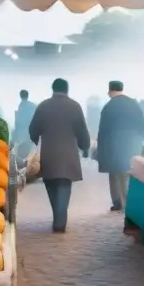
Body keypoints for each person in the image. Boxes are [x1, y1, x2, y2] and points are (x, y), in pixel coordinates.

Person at [28, 78, 91, 233]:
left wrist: (36, 139)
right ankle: (60, 221)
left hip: (49, 154)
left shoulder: (43, 106)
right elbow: (82, 130)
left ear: (53, 89)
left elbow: (32, 129)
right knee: (64, 186)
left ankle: (58, 217)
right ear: (66, 90)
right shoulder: (74, 106)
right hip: (68, 154)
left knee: (51, 186)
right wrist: (85, 147)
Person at [96, 81, 144, 212]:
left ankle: (118, 203)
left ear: (110, 91)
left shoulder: (108, 107)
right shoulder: (133, 104)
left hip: (114, 147)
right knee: (129, 174)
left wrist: (100, 151)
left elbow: (103, 131)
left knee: (114, 176)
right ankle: (130, 202)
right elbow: (142, 125)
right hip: (132, 145)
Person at [14, 89, 36, 155]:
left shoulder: (21, 106)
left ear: (20, 96)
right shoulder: (33, 105)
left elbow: (17, 121)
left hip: (22, 131)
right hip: (31, 130)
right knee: (31, 151)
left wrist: (16, 134)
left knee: (23, 151)